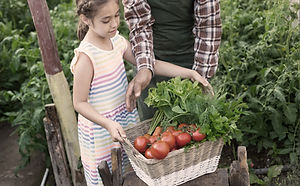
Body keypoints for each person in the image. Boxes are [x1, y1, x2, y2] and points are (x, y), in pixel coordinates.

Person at [71, 0, 210, 185]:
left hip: (123, 122)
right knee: (108, 178)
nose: (114, 24)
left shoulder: (117, 41)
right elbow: (79, 102)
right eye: (106, 20)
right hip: (101, 131)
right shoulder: (86, 56)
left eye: (116, 15)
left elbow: (149, 63)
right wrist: (107, 124)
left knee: (130, 174)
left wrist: (189, 72)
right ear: (86, 19)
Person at [123, 0, 222, 120]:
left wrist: (200, 78)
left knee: (194, 120)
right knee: (152, 124)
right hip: (151, 58)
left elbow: (208, 26)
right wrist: (145, 68)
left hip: (191, 57)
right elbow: (140, 26)